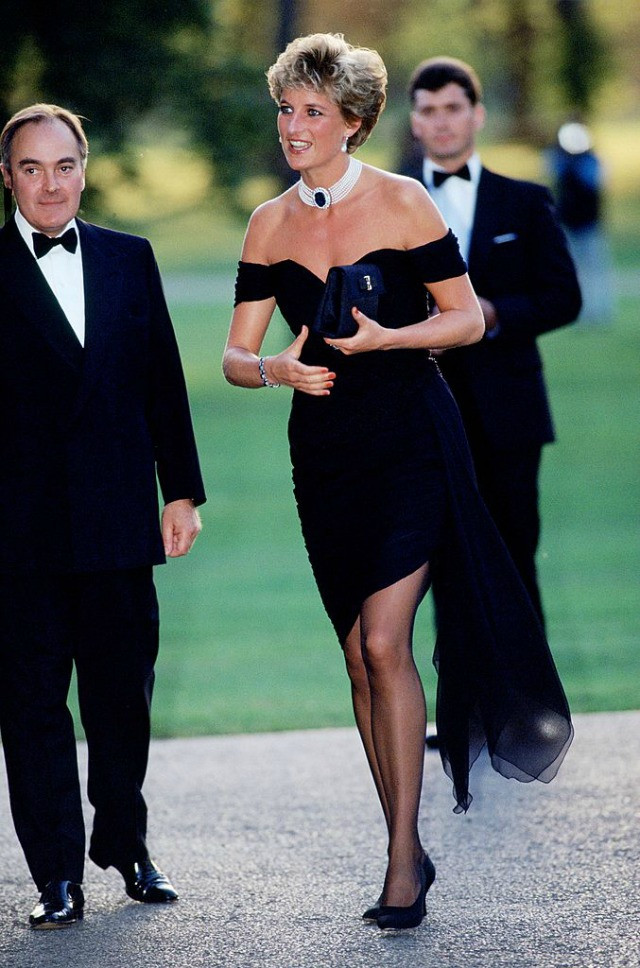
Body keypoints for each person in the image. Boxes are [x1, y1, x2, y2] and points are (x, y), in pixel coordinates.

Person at [223, 33, 573, 932]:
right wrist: (274, 370)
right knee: (356, 655)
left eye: (311, 111)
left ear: (353, 121)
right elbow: (233, 355)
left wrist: (389, 340)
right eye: (286, 109)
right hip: (325, 458)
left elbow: (464, 322)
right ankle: (406, 843)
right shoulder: (268, 222)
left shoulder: (405, 201)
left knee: (385, 644)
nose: (293, 126)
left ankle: (399, 868)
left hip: (415, 439)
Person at [0, 104, 205, 929]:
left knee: (123, 703)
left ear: (84, 169)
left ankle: (125, 844)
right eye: (31, 168)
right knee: (32, 710)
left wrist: (181, 491)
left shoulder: (130, 257)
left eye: (64, 166)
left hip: (119, 520)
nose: (50, 184)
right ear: (7, 177)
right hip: (18, 535)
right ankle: (55, 875)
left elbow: (163, 380)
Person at [403, 57, 582, 629]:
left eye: (453, 108)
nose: (442, 121)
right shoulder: (388, 205)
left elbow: (564, 297)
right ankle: (460, 691)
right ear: (414, 121)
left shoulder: (524, 201)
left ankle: (532, 691)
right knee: (443, 564)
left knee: (515, 559)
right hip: (423, 413)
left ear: (477, 115)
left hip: (510, 412)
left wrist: (494, 312)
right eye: (429, 110)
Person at [547, 121, 614, 325]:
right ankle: (579, 310)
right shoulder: (561, 160)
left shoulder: (591, 161)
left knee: (595, 269)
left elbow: (592, 183)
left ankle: (600, 310)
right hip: (568, 224)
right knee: (572, 269)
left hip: (589, 224)